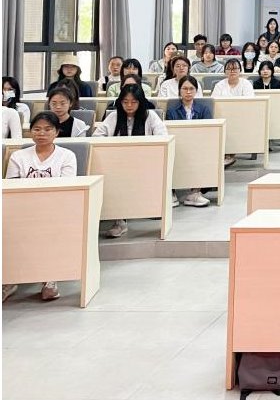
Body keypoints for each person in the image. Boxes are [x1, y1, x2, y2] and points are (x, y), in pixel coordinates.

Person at [2, 111, 79, 302]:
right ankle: (9, 279)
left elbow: (66, 188)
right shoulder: (18, 156)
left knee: (50, 229)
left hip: (56, 209)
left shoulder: (67, 156)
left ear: (57, 132)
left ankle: (49, 279)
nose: (41, 133)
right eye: (36, 129)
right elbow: (11, 187)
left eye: (47, 129)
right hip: (23, 209)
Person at [93, 84, 168, 238]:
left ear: (141, 102)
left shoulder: (150, 117)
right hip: (117, 164)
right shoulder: (113, 117)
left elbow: (163, 138)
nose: (129, 105)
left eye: (134, 102)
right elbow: (97, 138)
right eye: (125, 102)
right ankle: (119, 220)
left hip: (144, 163)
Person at [165, 75, 215, 205]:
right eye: (185, 89)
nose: (188, 92)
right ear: (179, 91)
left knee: (206, 154)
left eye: (191, 89)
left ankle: (195, 192)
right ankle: (171, 192)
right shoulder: (171, 111)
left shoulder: (204, 109)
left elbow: (208, 132)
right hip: (179, 145)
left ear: (196, 91)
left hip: (198, 146)